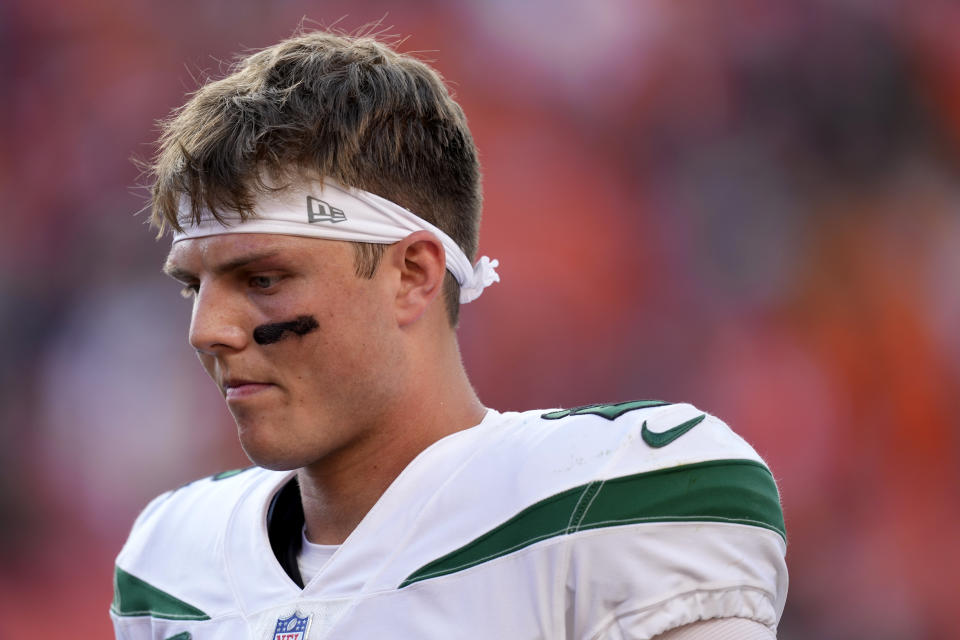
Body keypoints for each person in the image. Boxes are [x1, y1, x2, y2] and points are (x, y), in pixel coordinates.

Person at [110, 30, 787, 640]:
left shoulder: (599, 502)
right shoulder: (172, 566)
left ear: (412, 275)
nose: (208, 330)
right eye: (193, 286)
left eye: (262, 279)